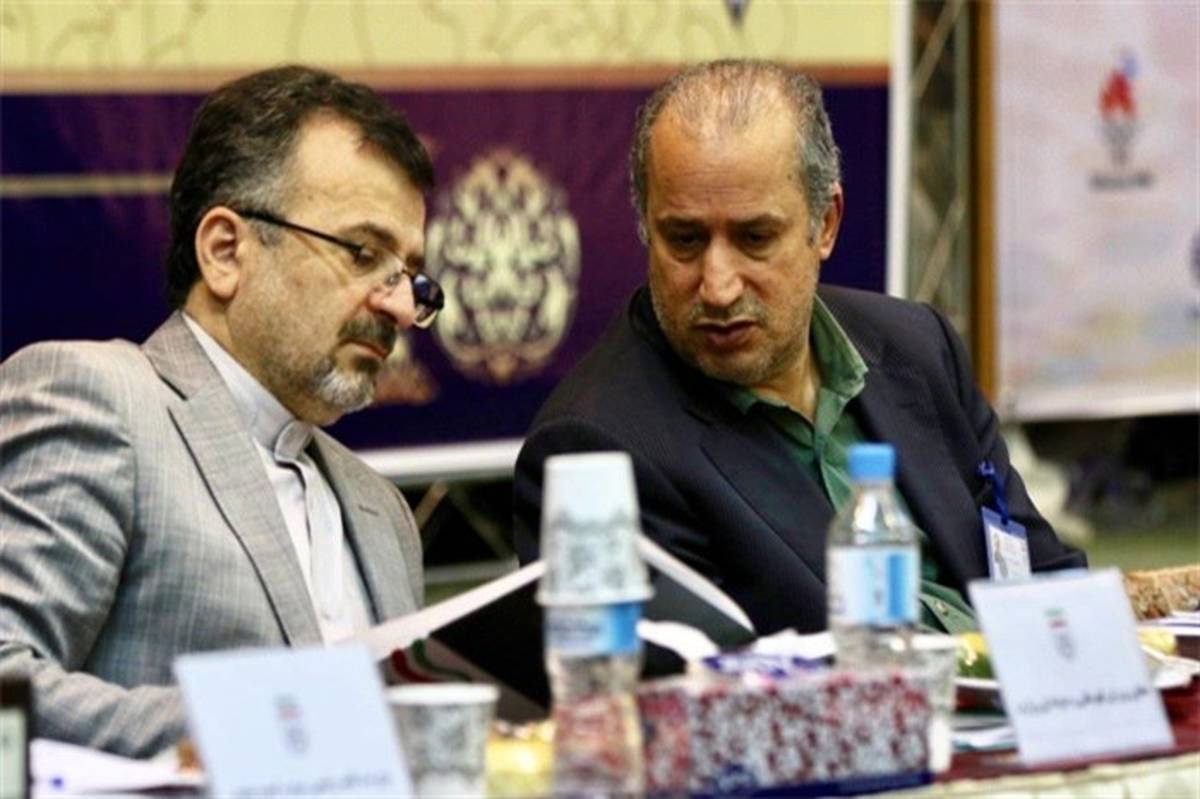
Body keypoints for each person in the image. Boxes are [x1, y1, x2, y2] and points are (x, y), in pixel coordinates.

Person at [513, 59, 1085, 639]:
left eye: (755, 239)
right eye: (684, 240)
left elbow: (1043, 574)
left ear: (825, 224)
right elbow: (688, 684)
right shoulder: (596, 449)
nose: (718, 286)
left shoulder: (917, 346)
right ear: (645, 227)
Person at [0, 66, 444, 757]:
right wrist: (264, 729)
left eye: (410, 277)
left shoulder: (382, 511)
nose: (398, 307)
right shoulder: (102, 400)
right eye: (362, 253)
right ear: (226, 252)